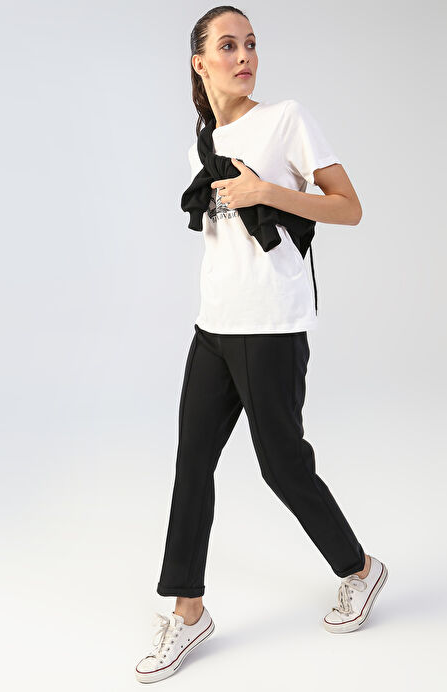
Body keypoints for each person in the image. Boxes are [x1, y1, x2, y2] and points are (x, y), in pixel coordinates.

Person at [135, 5, 388, 684]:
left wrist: (267, 190)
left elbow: (347, 206)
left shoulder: (286, 119)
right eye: (227, 45)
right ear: (200, 62)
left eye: (249, 43)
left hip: (271, 325)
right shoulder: (201, 142)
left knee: (282, 466)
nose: (243, 55)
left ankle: (360, 569)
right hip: (213, 325)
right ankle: (188, 610)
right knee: (192, 463)